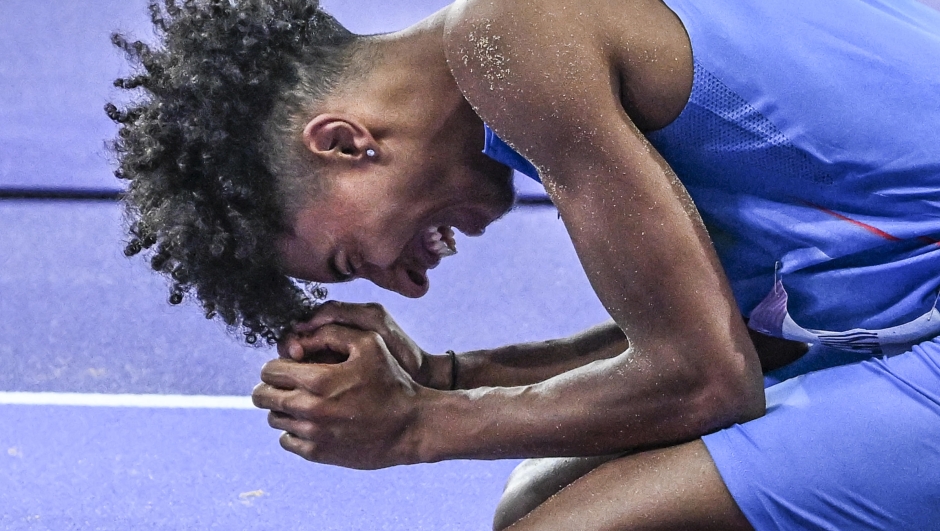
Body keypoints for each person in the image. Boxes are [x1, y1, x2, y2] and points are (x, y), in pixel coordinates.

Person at [109, 0, 940, 528]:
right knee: (539, 497)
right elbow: (749, 340)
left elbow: (706, 381)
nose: (406, 282)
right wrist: (446, 375)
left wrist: (415, 425)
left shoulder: (512, 38)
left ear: (344, 143)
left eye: (353, 255)